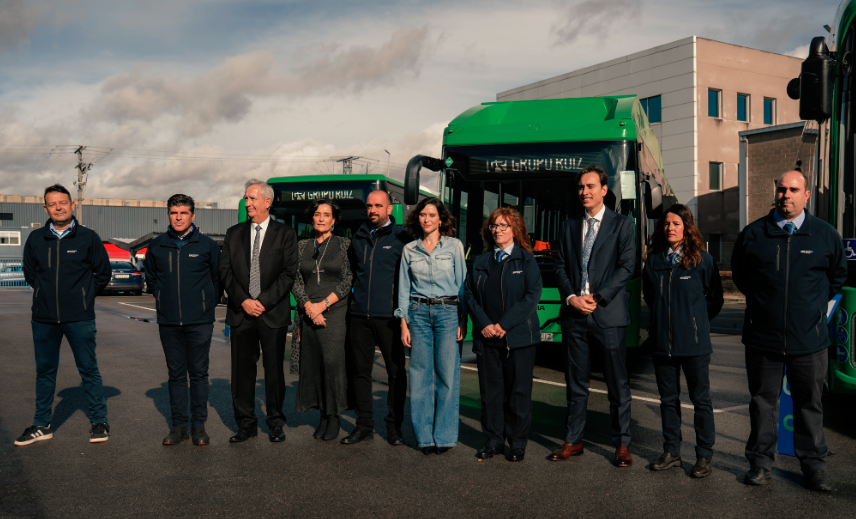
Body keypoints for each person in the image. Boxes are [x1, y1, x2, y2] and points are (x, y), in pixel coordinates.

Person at [732, 170, 846, 491]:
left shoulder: (825, 235)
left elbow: (837, 277)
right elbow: (742, 276)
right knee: (762, 403)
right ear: (776, 192)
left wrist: (810, 311)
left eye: (794, 190)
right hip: (762, 339)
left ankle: (814, 467)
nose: (787, 195)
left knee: (809, 404)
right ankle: (760, 463)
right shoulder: (754, 234)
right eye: (782, 189)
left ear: (806, 195)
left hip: (809, 340)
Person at [550, 165, 636, 466]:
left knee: (617, 383)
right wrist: (572, 298)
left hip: (608, 315)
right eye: (580, 187)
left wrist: (597, 298)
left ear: (604, 190)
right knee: (575, 383)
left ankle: (623, 444)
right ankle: (573, 441)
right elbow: (559, 267)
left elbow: (627, 267)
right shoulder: (569, 225)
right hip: (575, 316)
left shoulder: (622, 225)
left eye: (590, 186)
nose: (584, 192)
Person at [16, 184, 112, 446]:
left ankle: (99, 421)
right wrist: (45, 296)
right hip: (44, 318)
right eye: (52, 204)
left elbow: (103, 274)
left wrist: (82, 296)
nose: (58, 207)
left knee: (88, 370)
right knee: (45, 372)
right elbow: (30, 273)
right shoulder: (36, 238)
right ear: (45, 208)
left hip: (79, 318)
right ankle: (41, 425)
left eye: (63, 202)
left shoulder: (88, 237)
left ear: (72, 205)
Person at [642, 204, 723, 478]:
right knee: (668, 400)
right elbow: (651, 299)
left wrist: (695, 322)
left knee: (701, 401)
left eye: (676, 223)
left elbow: (715, 299)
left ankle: (704, 456)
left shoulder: (703, 260)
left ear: (686, 227)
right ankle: (671, 451)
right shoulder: (653, 262)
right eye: (666, 224)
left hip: (695, 345)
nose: (670, 228)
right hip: (662, 344)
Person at [220, 179, 298, 443]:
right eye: (245, 198)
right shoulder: (233, 233)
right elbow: (225, 272)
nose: (247, 203)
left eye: (252, 198)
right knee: (242, 373)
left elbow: (288, 274)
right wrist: (243, 300)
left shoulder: (285, 234)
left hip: (272, 313)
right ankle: (246, 424)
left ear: (267, 201)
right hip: (242, 313)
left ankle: (275, 422)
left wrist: (262, 302)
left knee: (274, 371)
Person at [463, 208, 542, 462]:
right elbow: (469, 296)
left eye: (504, 226)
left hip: (518, 339)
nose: (498, 230)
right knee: (491, 393)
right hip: (487, 338)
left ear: (515, 230)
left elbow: (531, 297)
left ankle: (517, 443)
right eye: (494, 226)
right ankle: (494, 441)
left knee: (518, 393)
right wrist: (485, 324)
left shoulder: (526, 260)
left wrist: (503, 325)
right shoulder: (480, 262)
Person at [145, 194, 221, 446]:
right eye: (174, 213)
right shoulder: (156, 245)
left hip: (199, 321)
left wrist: (205, 304)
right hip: (168, 321)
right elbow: (152, 279)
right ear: (169, 214)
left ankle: (198, 426)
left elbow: (216, 280)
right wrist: (162, 300)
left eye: (183, 213)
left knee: (199, 374)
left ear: (193, 216)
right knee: (176, 375)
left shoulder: (207, 245)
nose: (178, 217)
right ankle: (179, 427)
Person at [396, 197, 466, 455]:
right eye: (423, 215)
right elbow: (403, 289)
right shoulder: (409, 250)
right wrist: (403, 323)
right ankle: (424, 437)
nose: (427, 219)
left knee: (447, 375)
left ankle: (444, 436)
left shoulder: (454, 246)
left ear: (441, 219)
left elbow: (463, 286)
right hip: (418, 314)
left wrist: (463, 318)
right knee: (420, 375)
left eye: (432, 215)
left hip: (449, 312)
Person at [342, 190, 411, 446]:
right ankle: (364, 426)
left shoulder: (403, 237)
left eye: (378, 206)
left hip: (390, 318)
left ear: (389, 209)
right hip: (359, 315)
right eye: (369, 206)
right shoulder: (358, 235)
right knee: (360, 372)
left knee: (396, 373)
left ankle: (394, 427)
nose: (373, 210)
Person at [292, 199, 353, 441]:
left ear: (334, 220)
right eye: (317, 214)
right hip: (308, 314)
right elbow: (295, 279)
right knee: (314, 365)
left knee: (332, 365)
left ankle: (334, 415)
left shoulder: (344, 244)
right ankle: (322, 416)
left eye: (326, 215)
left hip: (335, 312)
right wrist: (308, 306)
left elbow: (348, 279)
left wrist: (323, 305)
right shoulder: (301, 246)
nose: (321, 218)